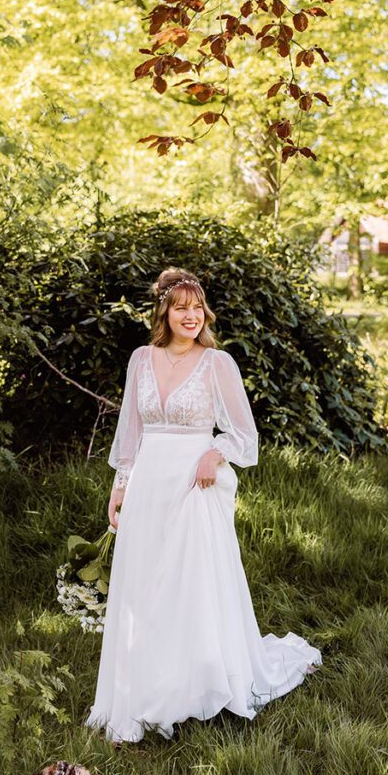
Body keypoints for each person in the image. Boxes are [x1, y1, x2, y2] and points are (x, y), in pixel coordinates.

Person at [87, 268, 320, 743]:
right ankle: (143, 686)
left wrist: (215, 452)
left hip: (193, 484)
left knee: (189, 584)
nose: (190, 316)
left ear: (204, 312)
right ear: (164, 312)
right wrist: (120, 485)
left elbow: (245, 436)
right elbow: (130, 431)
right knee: (145, 584)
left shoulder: (218, 364)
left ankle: (195, 684)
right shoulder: (140, 359)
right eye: (180, 308)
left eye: (197, 307)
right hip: (149, 482)